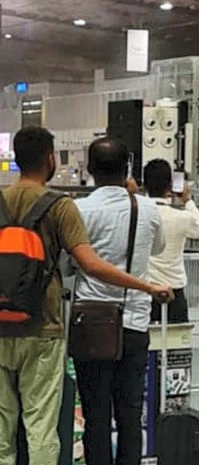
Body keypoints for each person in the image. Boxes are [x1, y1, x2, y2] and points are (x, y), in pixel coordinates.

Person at [0, 128, 171, 465]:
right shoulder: (63, 207)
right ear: (51, 158)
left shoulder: (75, 207)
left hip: (75, 324)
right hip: (53, 326)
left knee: (14, 427)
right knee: (51, 426)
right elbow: (93, 262)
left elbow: (71, 266)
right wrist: (147, 286)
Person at [72, 137, 170, 465]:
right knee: (130, 414)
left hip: (92, 325)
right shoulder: (148, 209)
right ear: (127, 169)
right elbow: (157, 248)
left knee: (96, 415)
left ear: (90, 169)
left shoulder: (79, 209)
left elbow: (69, 263)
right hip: (134, 322)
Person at [143, 159, 199, 324]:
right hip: (174, 289)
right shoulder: (181, 217)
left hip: (144, 289)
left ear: (144, 184)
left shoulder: (138, 214)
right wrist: (187, 200)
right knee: (177, 344)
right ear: (171, 186)